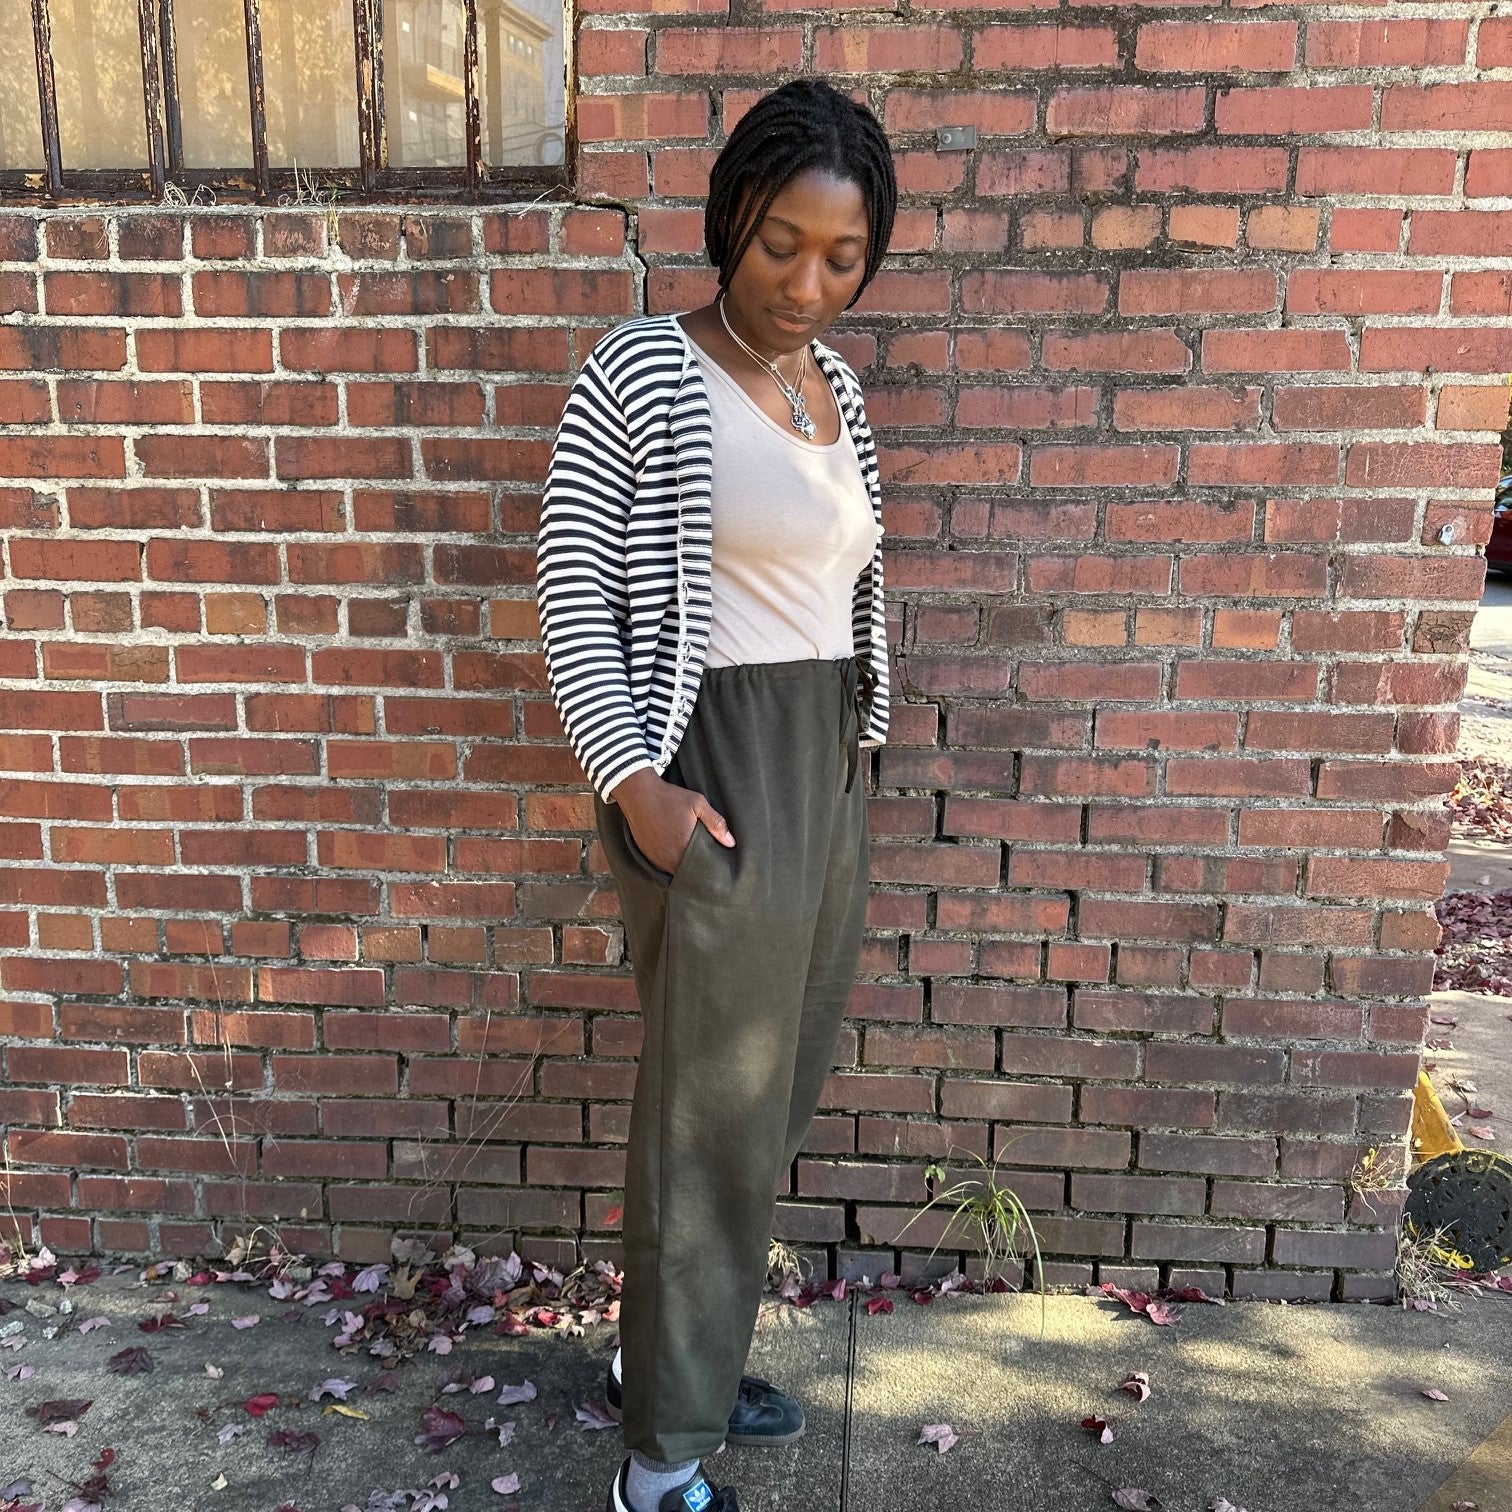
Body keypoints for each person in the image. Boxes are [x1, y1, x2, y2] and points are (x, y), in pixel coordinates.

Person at [535, 76, 898, 1512]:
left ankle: (664, 1366)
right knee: (708, 1122)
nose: (807, 284)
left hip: (826, 769)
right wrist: (636, 783)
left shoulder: (839, 389)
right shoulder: (639, 371)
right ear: (729, 222)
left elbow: (842, 577)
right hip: (714, 774)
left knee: (772, 1100)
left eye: (842, 258)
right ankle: (659, 1465)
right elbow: (573, 586)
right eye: (779, 247)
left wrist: (859, 747)